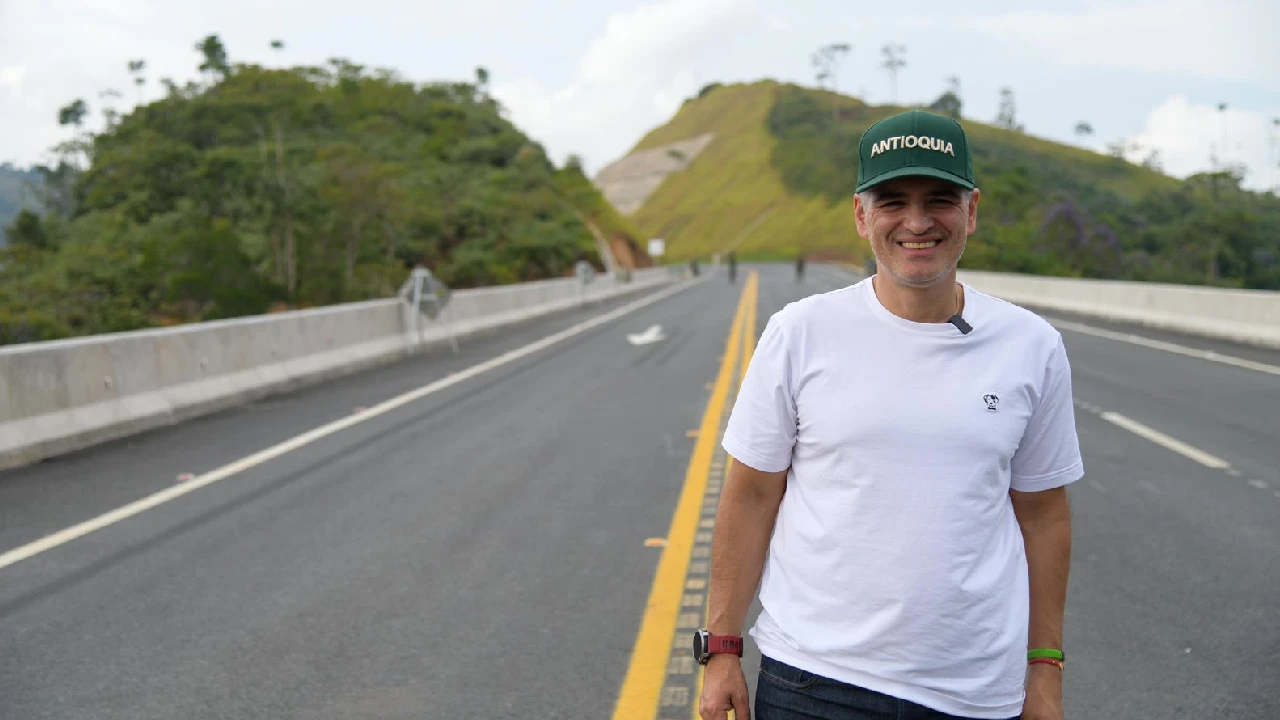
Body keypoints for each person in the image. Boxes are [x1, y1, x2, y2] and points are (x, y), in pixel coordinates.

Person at [696, 109, 1083, 720]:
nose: (918, 222)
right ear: (861, 215)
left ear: (972, 210)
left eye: (940, 199)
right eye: (893, 201)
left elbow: (1043, 515)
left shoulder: (1031, 345)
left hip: (975, 693)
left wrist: (1045, 670)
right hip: (812, 683)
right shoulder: (799, 332)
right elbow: (750, 497)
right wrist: (721, 650)